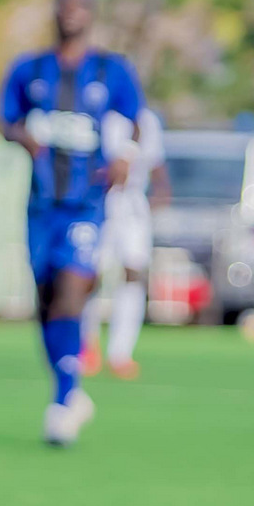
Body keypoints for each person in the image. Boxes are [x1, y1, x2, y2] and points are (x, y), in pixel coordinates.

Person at [0, 0, 142, 444]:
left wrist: (125, 157)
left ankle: (63, 401)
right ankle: (69, 390)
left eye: (81, 6)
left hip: (87, 203)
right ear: (55, 12)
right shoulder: (30, 69)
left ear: (92, 14)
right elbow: (7, 121)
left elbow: (136, 121)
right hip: (42, 205)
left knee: (71, 291)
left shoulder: (111, 71)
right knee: (45, 300)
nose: (72, 13)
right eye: (65, 5)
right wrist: (23, 137)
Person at [82, 103, 166, 379]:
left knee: (133, 272)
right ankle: (87, 344)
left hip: (132, 203)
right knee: (90, 273)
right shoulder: (95, 112)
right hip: (97, 201)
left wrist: (161, 192)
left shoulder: (145, 118)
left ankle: (121, 352)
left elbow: (155, 163)